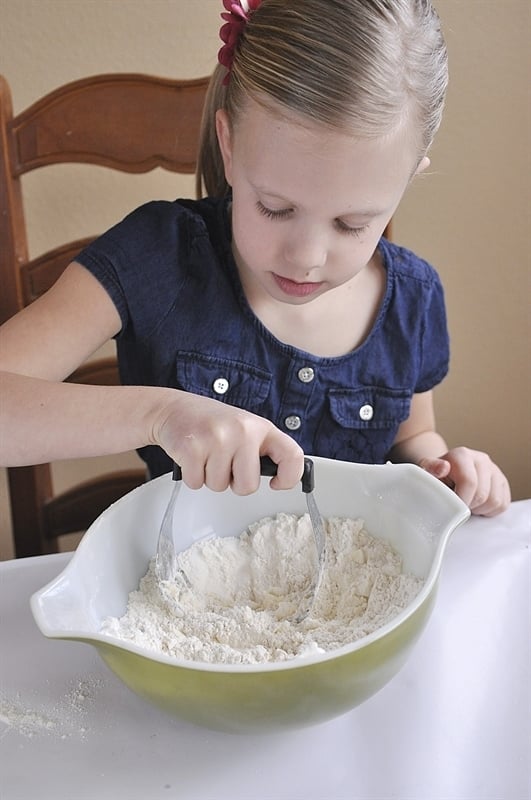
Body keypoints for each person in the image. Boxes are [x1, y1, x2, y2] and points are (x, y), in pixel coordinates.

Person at [0, 0, 510, 516]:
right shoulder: (159, 256)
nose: (306, 257)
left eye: (351, 224)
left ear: (406, 181)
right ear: (229, 144)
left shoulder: (413, 301)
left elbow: (413, 438)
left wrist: (443, 471)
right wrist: (160, 414)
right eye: (275, 208)